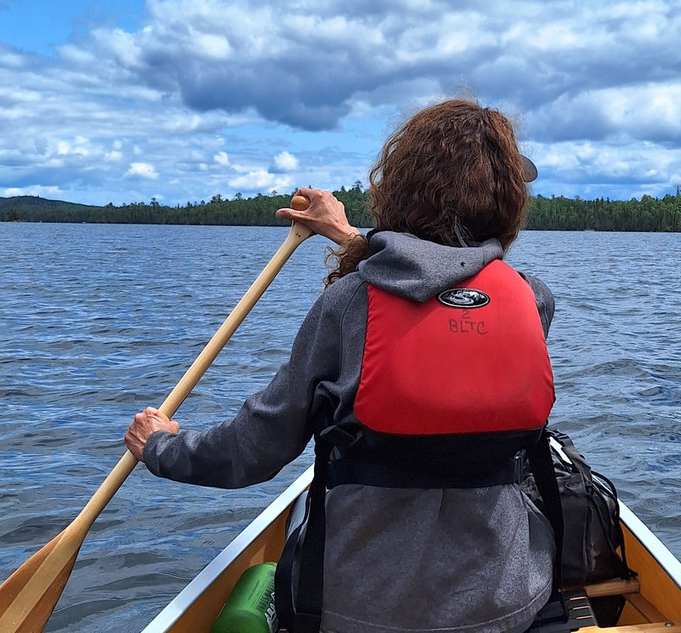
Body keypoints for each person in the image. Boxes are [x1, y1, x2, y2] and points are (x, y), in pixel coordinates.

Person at [125, 98, 557, 633]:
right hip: (506, 601)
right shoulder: (533, 301)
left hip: (365, 611)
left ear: (396, 191)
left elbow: (254, 452)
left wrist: (161, 447)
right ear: (509, 205)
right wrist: (347, 234)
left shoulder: (348, 304)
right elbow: (447, 279)